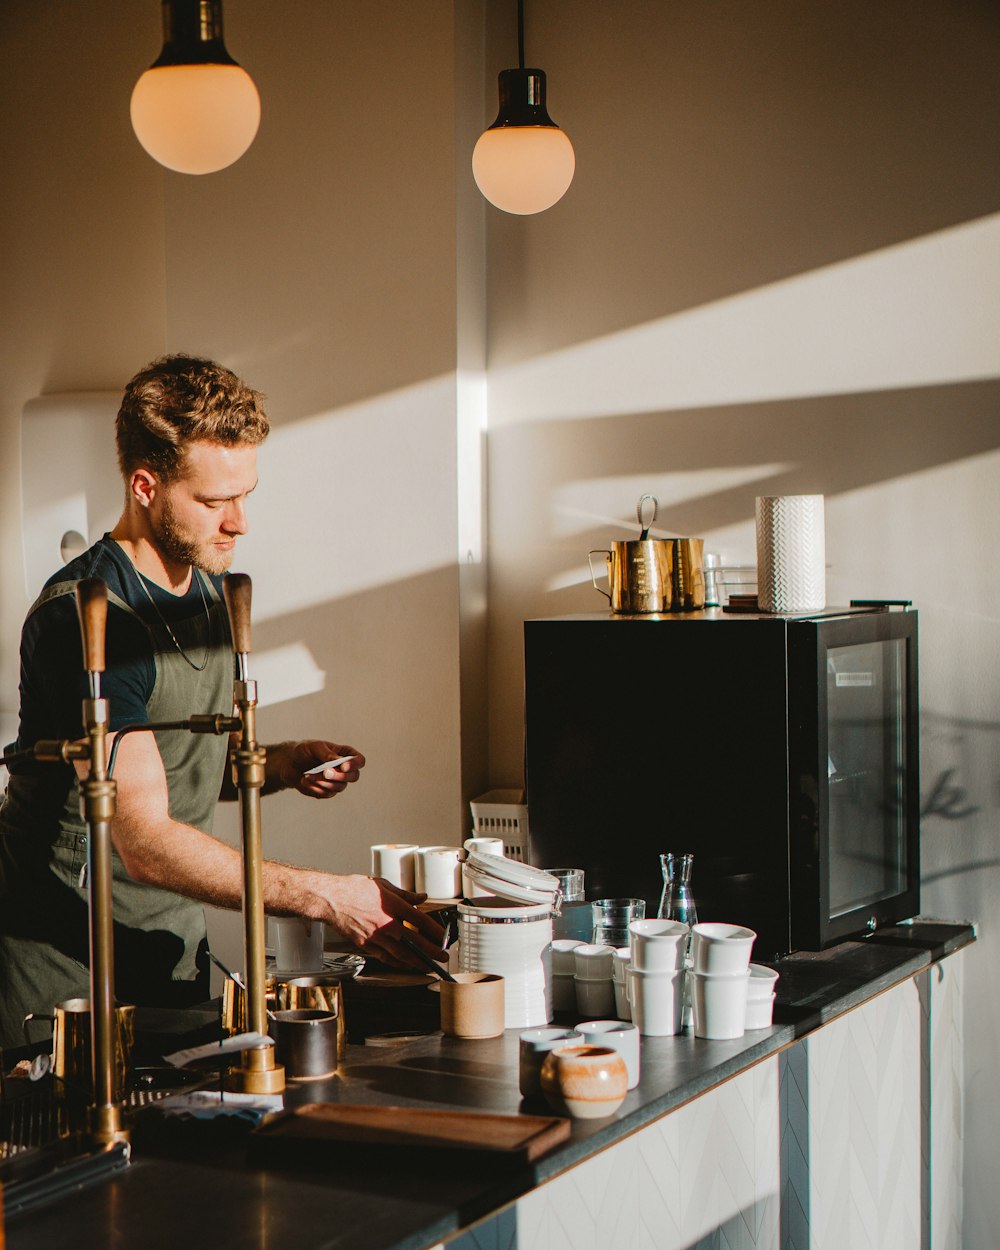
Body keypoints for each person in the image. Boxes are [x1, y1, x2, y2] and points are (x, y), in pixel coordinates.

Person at [0, 354, 443, 1050]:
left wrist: (283, 762)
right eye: (213, 502)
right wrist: (327, 896)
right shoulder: (85, 620)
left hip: (169, 961)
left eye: (246, 495)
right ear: (145, 486)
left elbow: (178, 764)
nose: (239, 523)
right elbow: (143, 838)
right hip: (68, 988)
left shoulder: (207, 589)